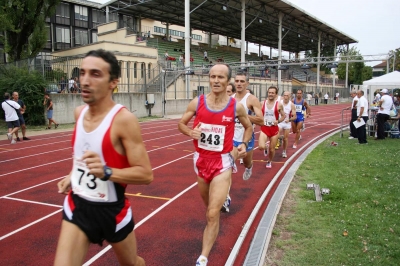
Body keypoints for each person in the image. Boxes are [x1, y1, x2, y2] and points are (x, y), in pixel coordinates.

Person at [54, 49, 153, 266]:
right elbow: (82, 154)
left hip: (112, 210)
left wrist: (107, 172)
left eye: (96, 74)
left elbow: (146, 174)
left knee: (132, 264)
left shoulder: (123, 120)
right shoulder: (79, 113)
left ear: (113, 82)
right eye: (82, 73)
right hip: (78, 205)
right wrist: (72, 174)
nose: (85, 81)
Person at [178, 63, 252, 266]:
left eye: (220, 77)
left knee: (212, 213)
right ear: (208, 79)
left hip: (222, 162)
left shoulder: (235, 106)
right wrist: (190, 132)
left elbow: (248, 127)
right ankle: (220, 206)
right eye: (213, 77)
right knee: (210, 209)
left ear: (228, 81)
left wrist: (244, 143)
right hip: (201, 161)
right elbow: (181, 124)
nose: (216, 81)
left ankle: (203, 258)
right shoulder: (197, 102)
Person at [232, 73, 263, 180]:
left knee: (247, 162)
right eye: (237, 81)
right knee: (227, 164)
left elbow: (261, 120)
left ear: (247, 84)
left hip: (246, 136)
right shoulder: (229, 99)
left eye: (242, 81)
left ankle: (249, 168)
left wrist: (243, 116)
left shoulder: (251, 99)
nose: (239, 83)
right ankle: (225, 193)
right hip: (231, 137)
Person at [259, 86, 286, 168]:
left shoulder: (279, 105)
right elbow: (258, 114)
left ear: (276, 95)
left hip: (274, 129)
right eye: (269, 92)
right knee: (261, 147)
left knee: (272, 149)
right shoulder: (262, 103)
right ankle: (265, 147)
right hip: (264, 128)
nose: (270, 94)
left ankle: (269, 161)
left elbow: (283, 116)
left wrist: (278, 121)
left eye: (272, 93)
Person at [278, 91, 297, 158]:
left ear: (289, 97)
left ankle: (284, 151)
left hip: (287, 123)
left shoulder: (291, 105)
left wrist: (289, 120)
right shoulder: (279, 103)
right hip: (280, 122)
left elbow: (295, 116)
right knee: (276, 135)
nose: (285, 97)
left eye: (287, 95)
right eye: (284, 95)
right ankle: (280, 138)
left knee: (285, 139)